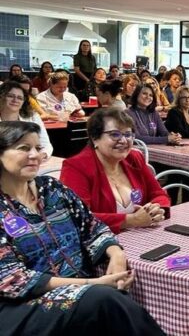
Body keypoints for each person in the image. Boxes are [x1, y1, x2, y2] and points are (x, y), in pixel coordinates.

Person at [0, 121, 165, 335]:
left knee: (115, 296)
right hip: (22, 305)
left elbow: (92, 226)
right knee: (103, 300)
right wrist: (92, 283)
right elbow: (12, 279)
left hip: (80, 291)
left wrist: (116, 253)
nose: (34, 155)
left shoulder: (52, 189)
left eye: (38, 148)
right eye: (23, 148)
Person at [61, 108, 170, 234]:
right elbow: (77, 218)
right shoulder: (76, 167)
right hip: (99, 245)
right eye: (114, 134)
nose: (123, 140)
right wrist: (130, 220)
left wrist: (155, 209)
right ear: (95, 138)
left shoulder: (134, 158)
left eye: (128, 134)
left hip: (142, 238)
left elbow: (159, 194)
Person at [0, 81, 53, 157]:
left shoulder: (33, 117)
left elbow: (46, 145)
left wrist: (41, 156)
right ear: (1, 98)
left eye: (20, 98)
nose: (15, 100)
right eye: (10, 96)